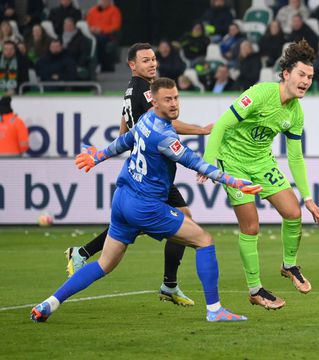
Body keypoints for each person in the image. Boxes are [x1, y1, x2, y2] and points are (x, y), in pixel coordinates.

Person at [30, 77, 261, 323]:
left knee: (105, 264)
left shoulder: (146, 119)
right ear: (155, 100)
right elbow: (194, 162)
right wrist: (234, 181)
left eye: (176, 98)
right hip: (145, 206)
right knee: (204, 240)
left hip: (123, 199)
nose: (174, 104)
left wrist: (98, 156)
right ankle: (215, 310)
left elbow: (125, 141)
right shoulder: (164, 136)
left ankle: (49, 304)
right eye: (167, 100)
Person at [65, 43, 212, 307]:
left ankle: (84, 252)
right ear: (132, 65)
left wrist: (126, 142)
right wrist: (202, 130)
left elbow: (124, 127)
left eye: (154, 59)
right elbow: (163, 123)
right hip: (151, 172)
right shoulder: (145, 91)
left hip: (145, 167)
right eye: (146, 60)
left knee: (151, 221)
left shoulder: (130, 90)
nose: (153, 64)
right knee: (174, 222)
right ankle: (168, 284)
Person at [201, 40, 319, 310]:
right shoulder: (259, 94)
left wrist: (308, 197)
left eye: (310, 77)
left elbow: (295, 156)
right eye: (301, 75)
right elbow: (221, 124)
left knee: (293, 212)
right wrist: (208, 163)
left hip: (261, 162)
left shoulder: (296, 113)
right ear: (286, 74)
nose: (306, 81)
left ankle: (289, 266)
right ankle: (255, 290)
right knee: (251, 226)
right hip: (232, 161)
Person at [86, 0, 122, 71]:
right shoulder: (92, 11)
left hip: (107, 35)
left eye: (105, 1)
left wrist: (101, 30)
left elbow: (115, 26)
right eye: (102, 1)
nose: (103, 3)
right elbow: (88, 23)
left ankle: (99, 63)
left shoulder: (114, 10)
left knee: (100, 40)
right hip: (93, 34)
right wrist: (92, 29)